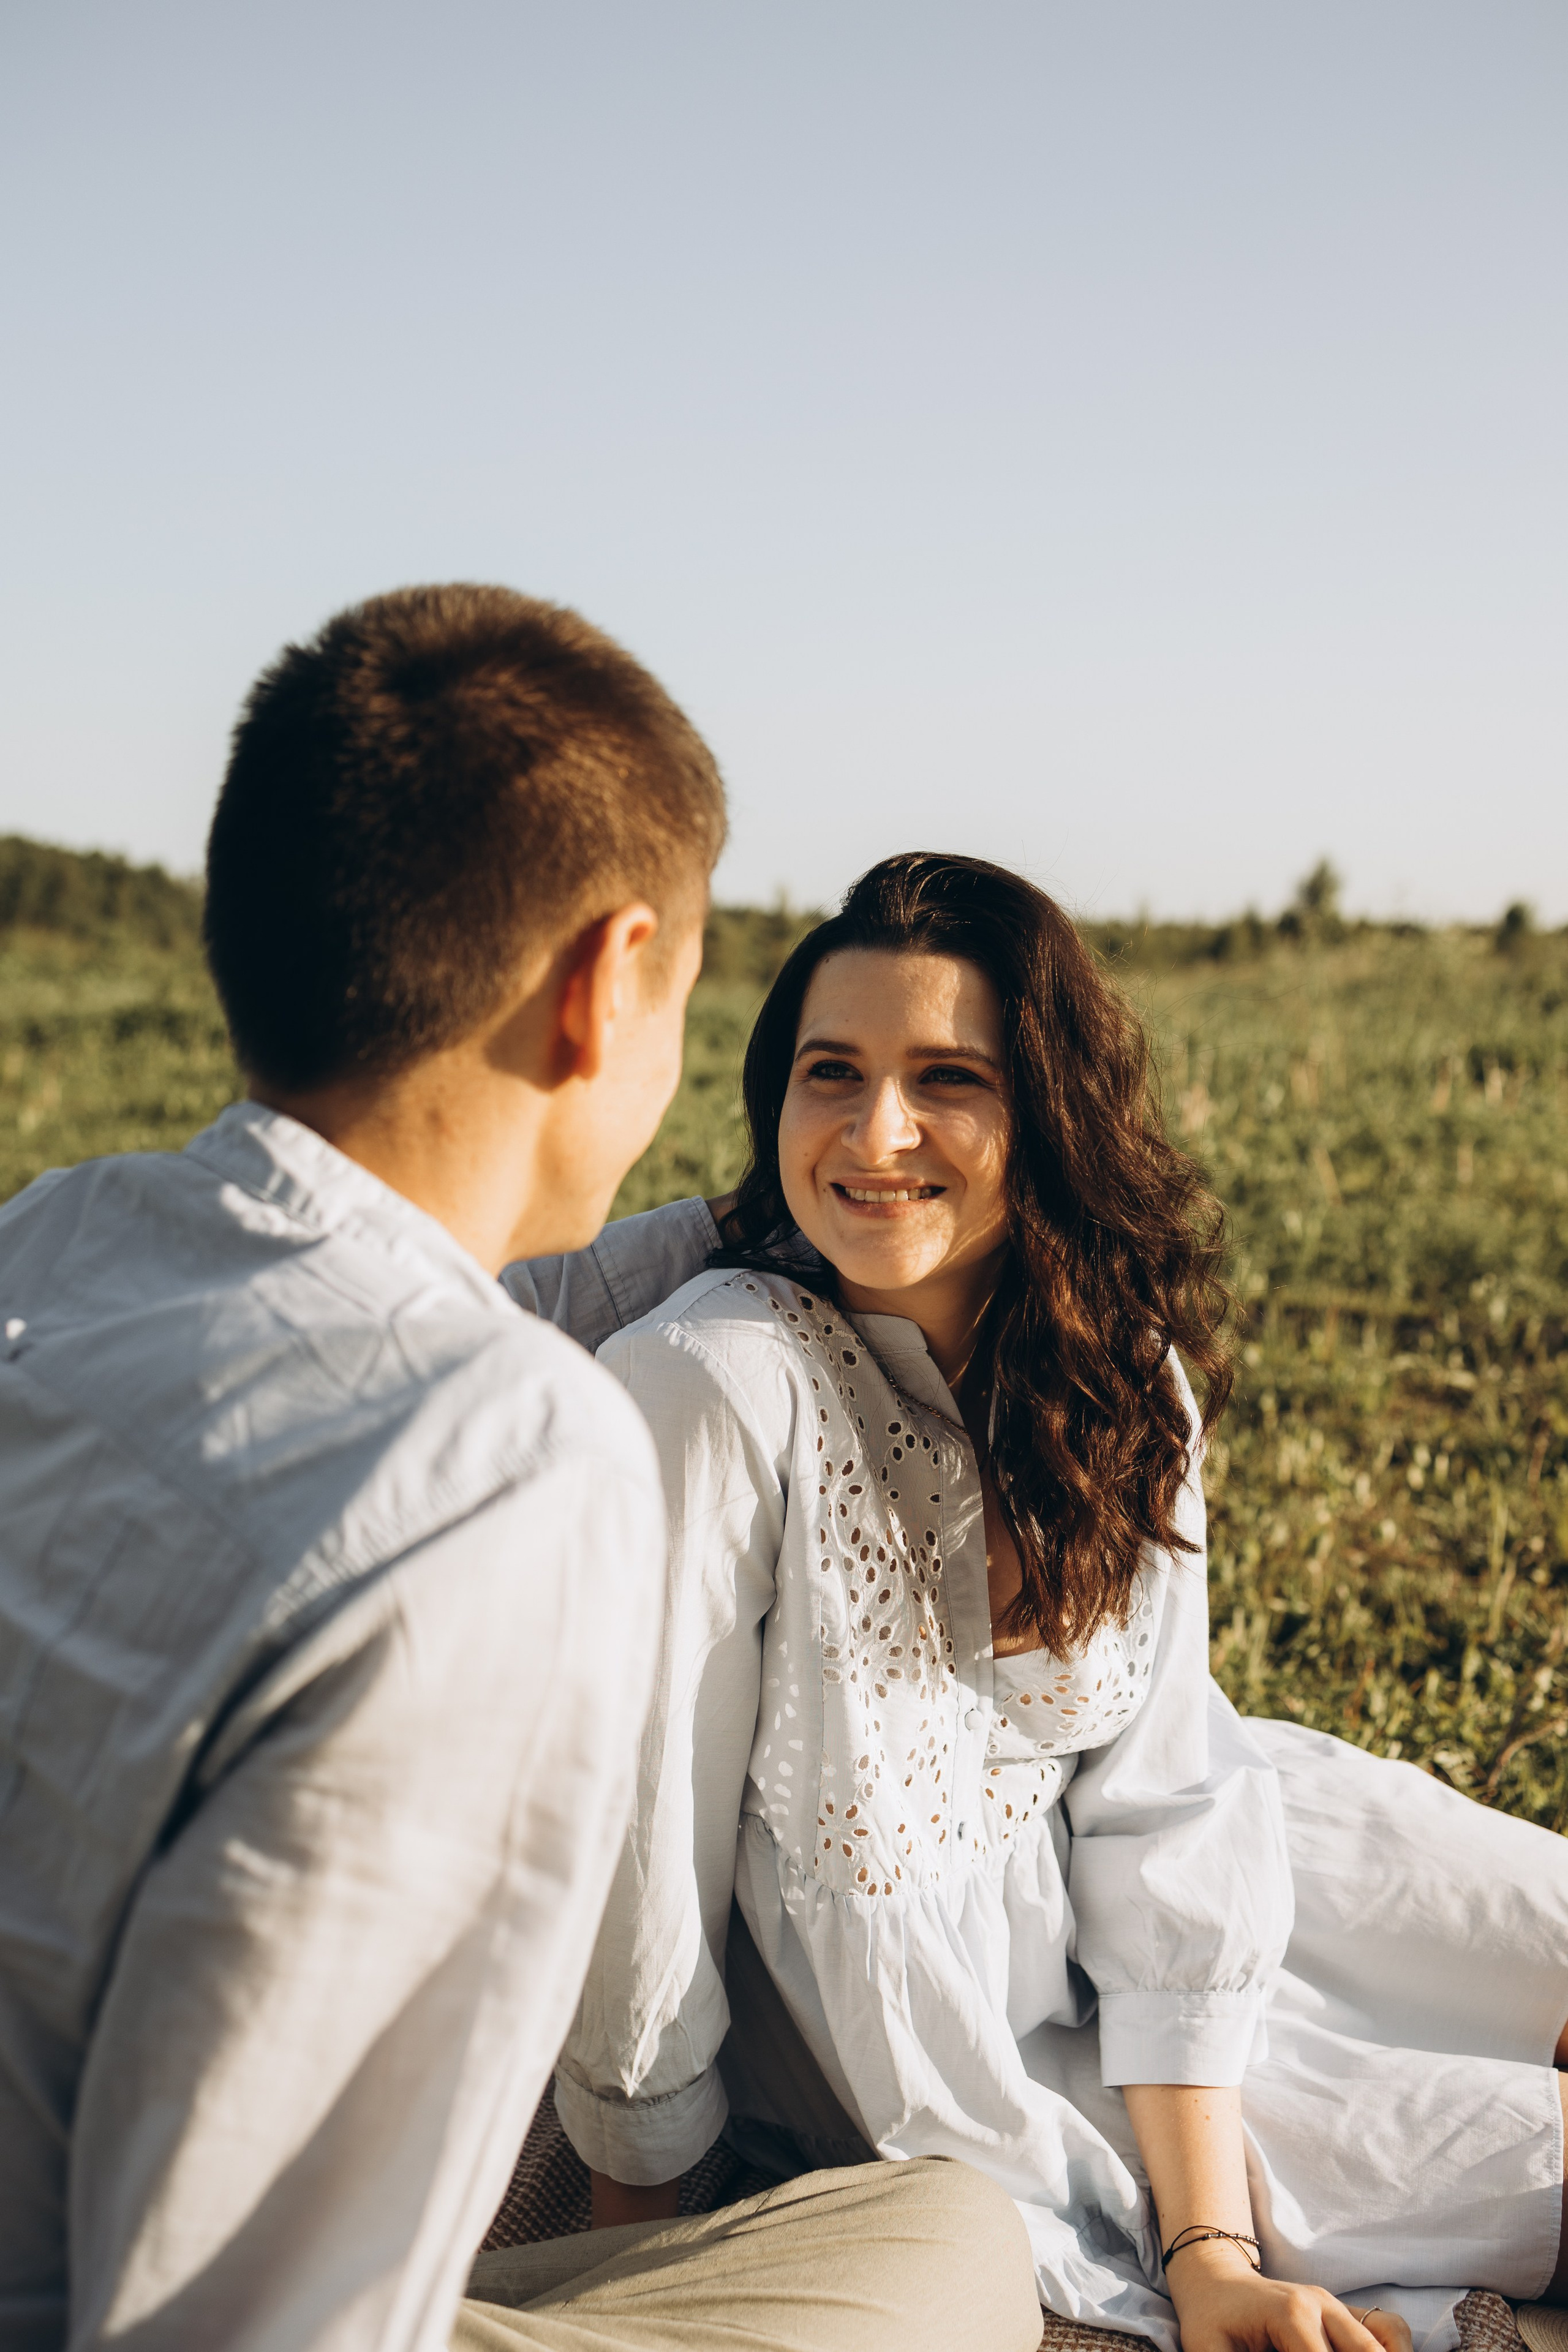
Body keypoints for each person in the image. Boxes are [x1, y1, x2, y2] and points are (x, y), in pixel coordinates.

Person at [0, 597, 1039, 2352]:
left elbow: (499, 1281)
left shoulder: (57, 1241)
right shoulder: (505, 1469)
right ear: (607, 980)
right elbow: (259, 2305)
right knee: (955, 2244)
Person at [512, 851, 1568, 2352]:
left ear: (1047, 1110)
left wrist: (1210, 2242)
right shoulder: (713, 1379)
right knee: (1524, 2166)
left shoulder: (1117, 1374)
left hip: (1214, 1849)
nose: (878, 1133)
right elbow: (642, 1861)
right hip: (960, 2038)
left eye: (949, 1076)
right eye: (832, 1073)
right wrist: (642, 2246)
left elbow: (1163, 1803)